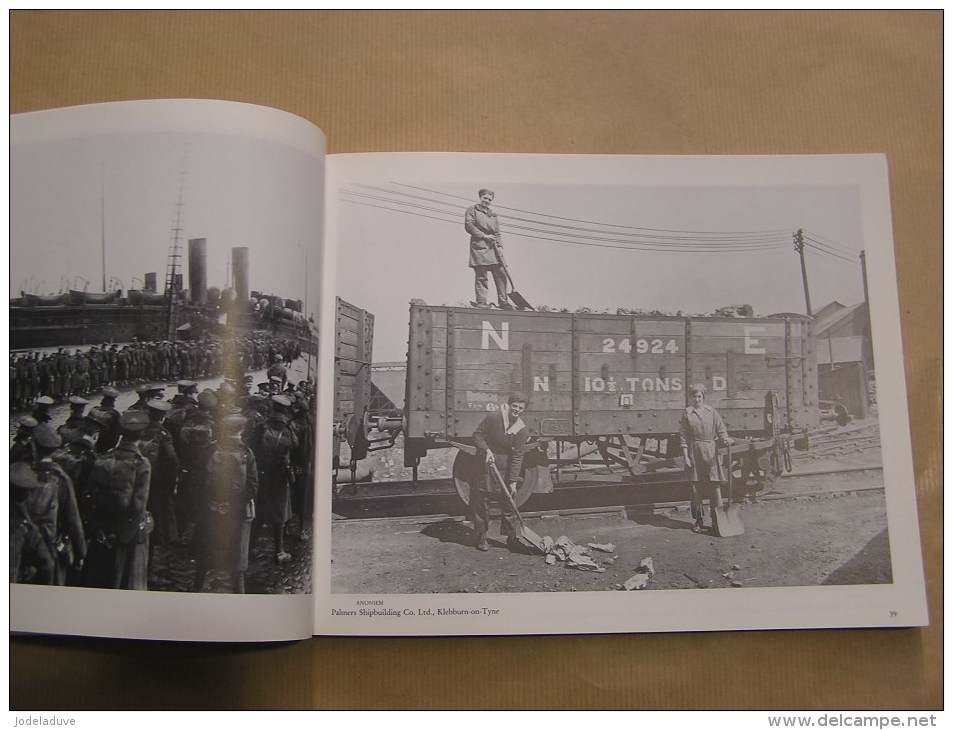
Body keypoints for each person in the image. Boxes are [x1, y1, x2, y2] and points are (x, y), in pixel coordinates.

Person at [81, 410, 153, 590]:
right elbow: (138, 505)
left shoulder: (104, 457)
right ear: (142, 435)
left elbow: (89, 496)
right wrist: (123, 536)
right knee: (125, 579)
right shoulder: (141, 463)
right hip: (127, 534)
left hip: (102, 531)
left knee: (99, 576)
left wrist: (99, 528)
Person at [192, 414, 259, 593]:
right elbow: (252, 486)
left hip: (210, 508)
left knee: (205, 549)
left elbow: (197, 481)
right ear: (241, 431)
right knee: (237, 552)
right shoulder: (247, 452)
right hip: (236, 510)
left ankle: (198, 586)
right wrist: (234, 505)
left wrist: (209, 504)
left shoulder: (209, 449)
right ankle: (238, 591)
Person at [470, 392, 532, 552]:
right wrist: (486, 450)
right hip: (485, 463)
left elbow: (518, 456)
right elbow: (477, 435)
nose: (517, 410)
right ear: (510, 405)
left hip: (506, 465)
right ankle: (481, 538)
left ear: (524, 410)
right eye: (515, 406)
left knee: (509, 502)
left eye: (521, 408)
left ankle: (512, 538)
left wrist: (512, 480)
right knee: (481, 502)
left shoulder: (522, 430)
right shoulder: (494, 417)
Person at [679, 383, 733, 533]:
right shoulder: (687, 414)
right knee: (696, 489)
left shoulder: (712, 412)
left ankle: (717, 521)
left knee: (715, 487)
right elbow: (683, 436)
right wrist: (686, 457)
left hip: (710, 450)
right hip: (694, 451)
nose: (697, 400)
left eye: (699, 397)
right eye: (694, 397)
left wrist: (726, 439)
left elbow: (721, 430)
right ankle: (698, 520)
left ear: (703, 397)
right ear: (691, 398)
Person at [464, 188, 510, 309]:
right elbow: (469, 226)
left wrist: (500, 246)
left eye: (489, 200)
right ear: (480, 197)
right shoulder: (472, 210)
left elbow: (498, 232)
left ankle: (503, 301)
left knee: (501, 273)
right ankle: (481, 302)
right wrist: (484, 236)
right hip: (479, 247)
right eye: (485, 198)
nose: (487, 201)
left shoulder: (493, 214)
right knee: (481, 276)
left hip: (493, 248)